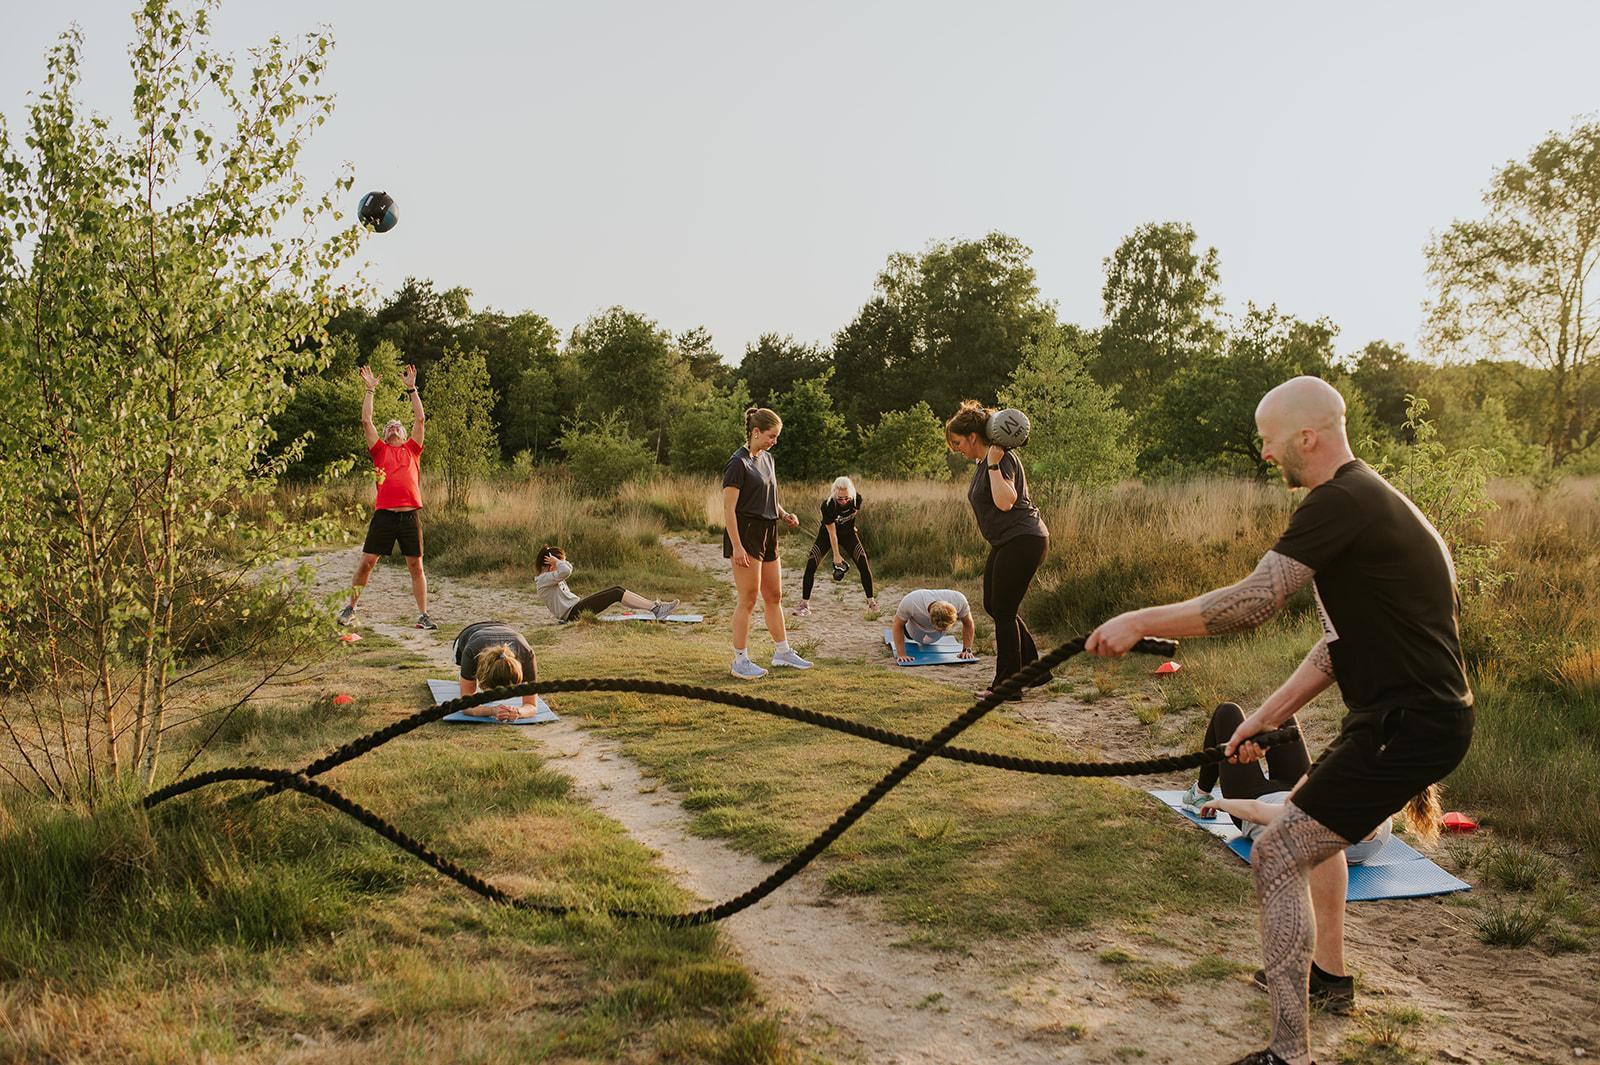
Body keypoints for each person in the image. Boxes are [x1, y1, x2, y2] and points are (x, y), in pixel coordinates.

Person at [1086, 376, 1473, 1065]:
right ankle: (1329, 978)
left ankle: (1289, 1054)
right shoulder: (1369, 501)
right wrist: (1263, 718)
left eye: (1269, 440)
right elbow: (1334, 648)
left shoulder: (1339, 500)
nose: (1264, 454)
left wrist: (1140, 619)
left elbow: (1255, 600)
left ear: (1307, 437)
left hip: (1407, 724)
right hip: (1402, 721)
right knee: (1304, 837)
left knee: (1277, 850)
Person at [1184, 702, 1394, 872]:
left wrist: (1220, 803)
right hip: (1296, 791)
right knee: (1281, 714)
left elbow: (1255, 812)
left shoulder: (1320, 824)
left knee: (1228, 712)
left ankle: (1199, 795)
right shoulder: (1383, 828)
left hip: (1253, 798)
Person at [945, 401, 1050, 700]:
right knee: (994, 605)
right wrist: (987, 463)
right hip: (1008, 541)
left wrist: (993, 464)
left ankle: (1008, 686)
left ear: (973, 437)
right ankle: (1033, 670)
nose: (956, 450)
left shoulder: (1000, 458)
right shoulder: (985, 461)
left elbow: (1006, 501)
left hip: (1023, 539)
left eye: (957, 443)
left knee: (1004, 610)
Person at [338, 364, 435, 630]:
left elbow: (420, 419)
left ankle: (423, 615)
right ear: (384, 434)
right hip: (384, 515)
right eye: (389, 427)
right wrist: (369, 390)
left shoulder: (413, 449)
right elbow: (366, 420)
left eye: (397, 427)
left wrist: (412, 389)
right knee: (367, 563)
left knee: (416, 567)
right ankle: (350, 608)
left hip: (409, 516)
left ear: (403, 434)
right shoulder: (379, 451)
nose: (393, 428)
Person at [722, 407, 809, 678]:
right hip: (746, 534)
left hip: (770, 532)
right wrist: (737, 546)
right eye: (772, 436)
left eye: (777, 436)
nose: (775, 441)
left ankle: (782, 652)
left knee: (774, 596)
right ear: (756, 432)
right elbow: (728, 509)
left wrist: (784, 514)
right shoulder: (737, 464)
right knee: (748, 599)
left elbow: (769, 495)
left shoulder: (768, 459)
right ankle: (740, 661)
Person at [793, 476, 877, 616]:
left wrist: (851, 525)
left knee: (863, 563)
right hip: (827, 536)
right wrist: (836, 555)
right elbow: (833, 534)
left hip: (848, 534)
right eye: (840, 498)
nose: (843, 501)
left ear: (851, 494)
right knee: (811, 565)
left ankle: (871, 603)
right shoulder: (828, 506)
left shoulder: (856, 499)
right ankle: (804, 604)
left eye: (846, 498)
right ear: (834, 494)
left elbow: (854, 513)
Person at [533, 546, 679, 623]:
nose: (563, 563)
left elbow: (567, 568)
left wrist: (558, 561)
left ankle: (655, 607)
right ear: (551, 564)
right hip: (572, 614)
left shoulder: (550, 577)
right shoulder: (544, 580)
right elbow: (566, 570)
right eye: (560, 562)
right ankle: (656, 609)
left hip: (575, 608)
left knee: (618, 589)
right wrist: (557, 562)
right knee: (616, 593)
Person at [452, 621, 541, 721]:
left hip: (503, 627)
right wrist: (492, 711)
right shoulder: (471, 652)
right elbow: (466, 706)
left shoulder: (526, 654)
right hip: (468, 633)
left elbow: (531, 705)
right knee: (470, 680)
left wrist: (517, 712)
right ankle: (468, 676)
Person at [890, 589, 976, 664]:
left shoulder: (959, 600)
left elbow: (968, 623)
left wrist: (967, 650)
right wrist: (901, 654)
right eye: (940, 629)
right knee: (906, 630)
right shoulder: (911, 602)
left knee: (933, 637)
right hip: (913, 630)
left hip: (934, 636)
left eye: (945, 628)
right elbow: (897, 624)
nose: (942, 631)